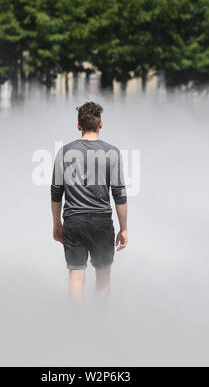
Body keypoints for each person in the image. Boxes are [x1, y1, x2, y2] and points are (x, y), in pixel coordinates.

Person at [51, 102, 128, 307]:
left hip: (73, 221)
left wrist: (56, 224)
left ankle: (79, 328)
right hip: (101, 221)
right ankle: (98, 327)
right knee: (103, 279)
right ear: (100, 124)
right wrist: (124, 228)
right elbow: (119, 194)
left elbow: (56, 192)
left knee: (76, 279)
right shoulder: (112, 153)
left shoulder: (64, 152)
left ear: (78, 126)